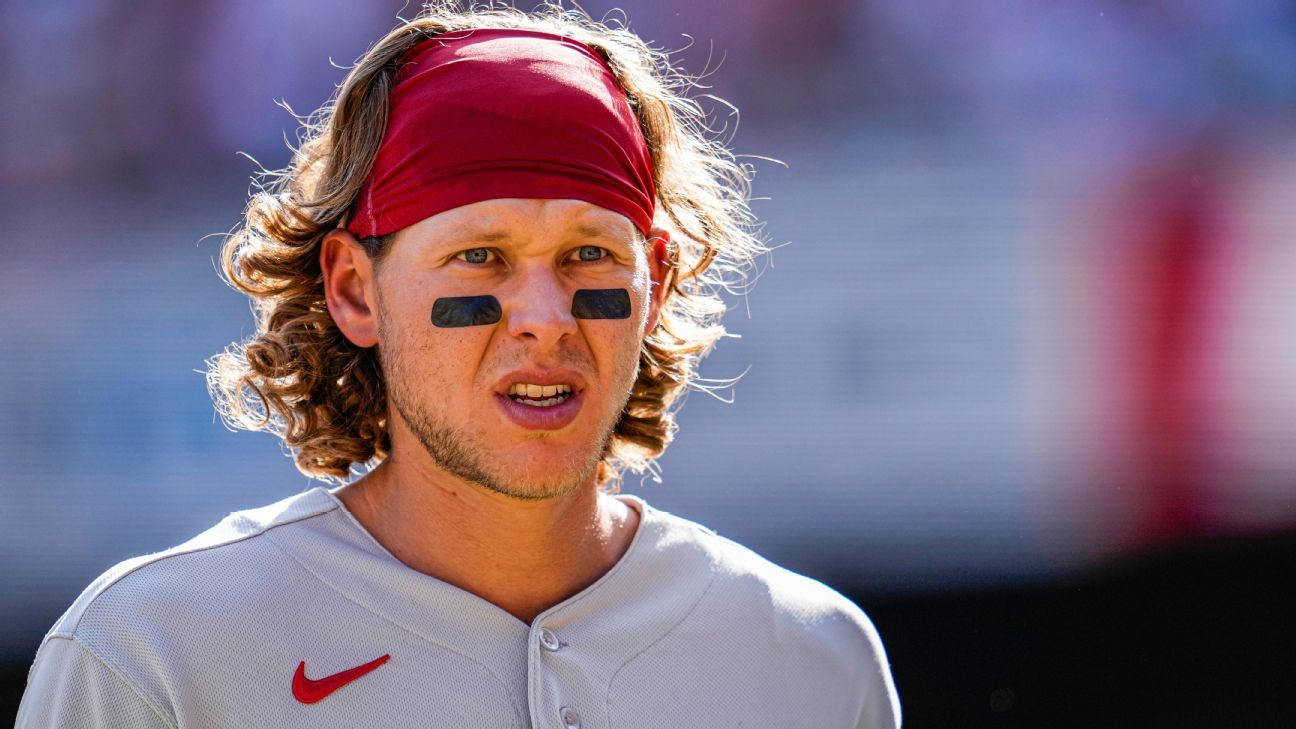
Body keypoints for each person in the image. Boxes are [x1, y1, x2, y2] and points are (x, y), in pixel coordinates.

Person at [17, 3, 901, 727]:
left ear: (658, 282)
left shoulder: (813, 657)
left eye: (590, 255)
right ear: (355, 290)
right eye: (482, 257)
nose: (545, 319)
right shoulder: (152, 655)